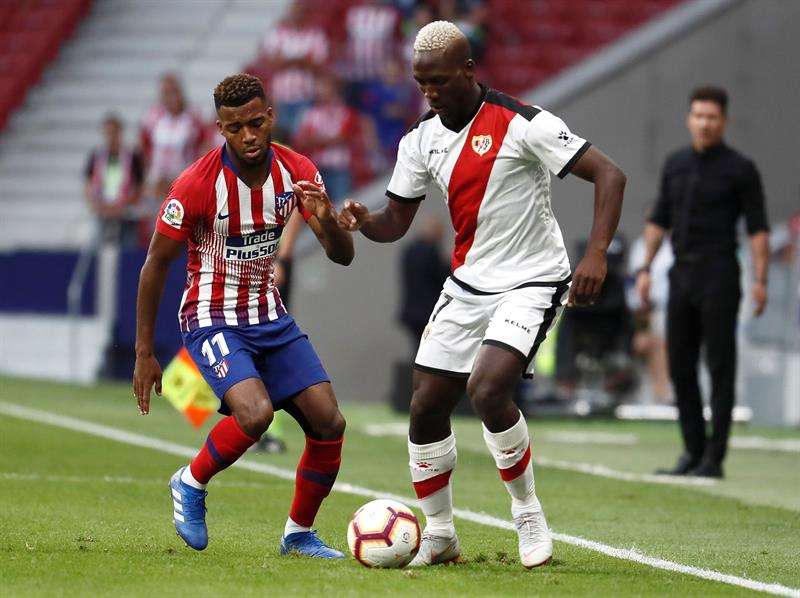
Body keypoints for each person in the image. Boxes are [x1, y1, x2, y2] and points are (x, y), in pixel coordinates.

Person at [337, 21, 626, 568]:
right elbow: (396, 219)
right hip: (469, 284)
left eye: (439, 81)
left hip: (534, 278)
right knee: (424, 407)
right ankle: (441, 536)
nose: (429, 92)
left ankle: (528, 514)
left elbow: (609, 175)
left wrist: (597, 253)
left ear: (469, 70)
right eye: (421, 83)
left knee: (489, 390)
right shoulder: (420, 139)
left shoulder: (523, 123)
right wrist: (362, 221)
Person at [132, 74, 354, 557]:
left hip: (269, 316)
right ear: (220, 128)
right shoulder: (196, 183)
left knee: (329, 422)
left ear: (270, 115)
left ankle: (298, 534)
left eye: (256, 123)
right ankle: (190, 482)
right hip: (211, 315)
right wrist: (145, 352)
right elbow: (154, 266)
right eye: (236, 129)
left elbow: (342, 255)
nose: (249, 137)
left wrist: (328, 217)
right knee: (255, 414)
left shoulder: (297, 172)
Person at [636, 86, 769, 479]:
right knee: (680, 366)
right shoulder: (675, 163)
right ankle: (693, 452)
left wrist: (760, 279)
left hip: (721, 273)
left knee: (720, 365)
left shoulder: (740, 169)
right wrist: (645, 267)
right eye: (699, 115)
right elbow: (659, 219)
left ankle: (715, 458)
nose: (705, 123)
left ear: (723, 121)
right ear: (689, 118)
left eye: (712, 117)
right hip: (682, 273)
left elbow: (758, 229)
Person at [259, 0, 330, 137]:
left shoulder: (315, 35)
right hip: (281, 95)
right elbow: (270, 62)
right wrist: (300, 60)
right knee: (282, 136)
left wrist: (288, 60)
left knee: (301, 136)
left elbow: (319, 64)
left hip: (306, 94)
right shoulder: (278, 33)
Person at [140, 73, 206, 201]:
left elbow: (203, 145)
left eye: (173, 92)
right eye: (166, 93)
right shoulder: (153, 116)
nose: (171, 97)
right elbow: (143, 145)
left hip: (184, 179)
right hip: (157, 181)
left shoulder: (192, 117)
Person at [84, 113, 145, 247]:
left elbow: (139, 185)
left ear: (120, 133)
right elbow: (88, 184)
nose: (111, 137)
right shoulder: (96, 156)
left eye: (114, 132)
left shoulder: (132, 156)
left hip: (126, 212)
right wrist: (96, 205)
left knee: (128, 249)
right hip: (103, 211)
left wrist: (123, 204)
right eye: (108, 133)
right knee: (97, 248)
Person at [398, 215, 449, 354]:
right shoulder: (432, 253)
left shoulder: (409, 250)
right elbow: (443, 278)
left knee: (420, 349)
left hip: (412, 312)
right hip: (427, 312)